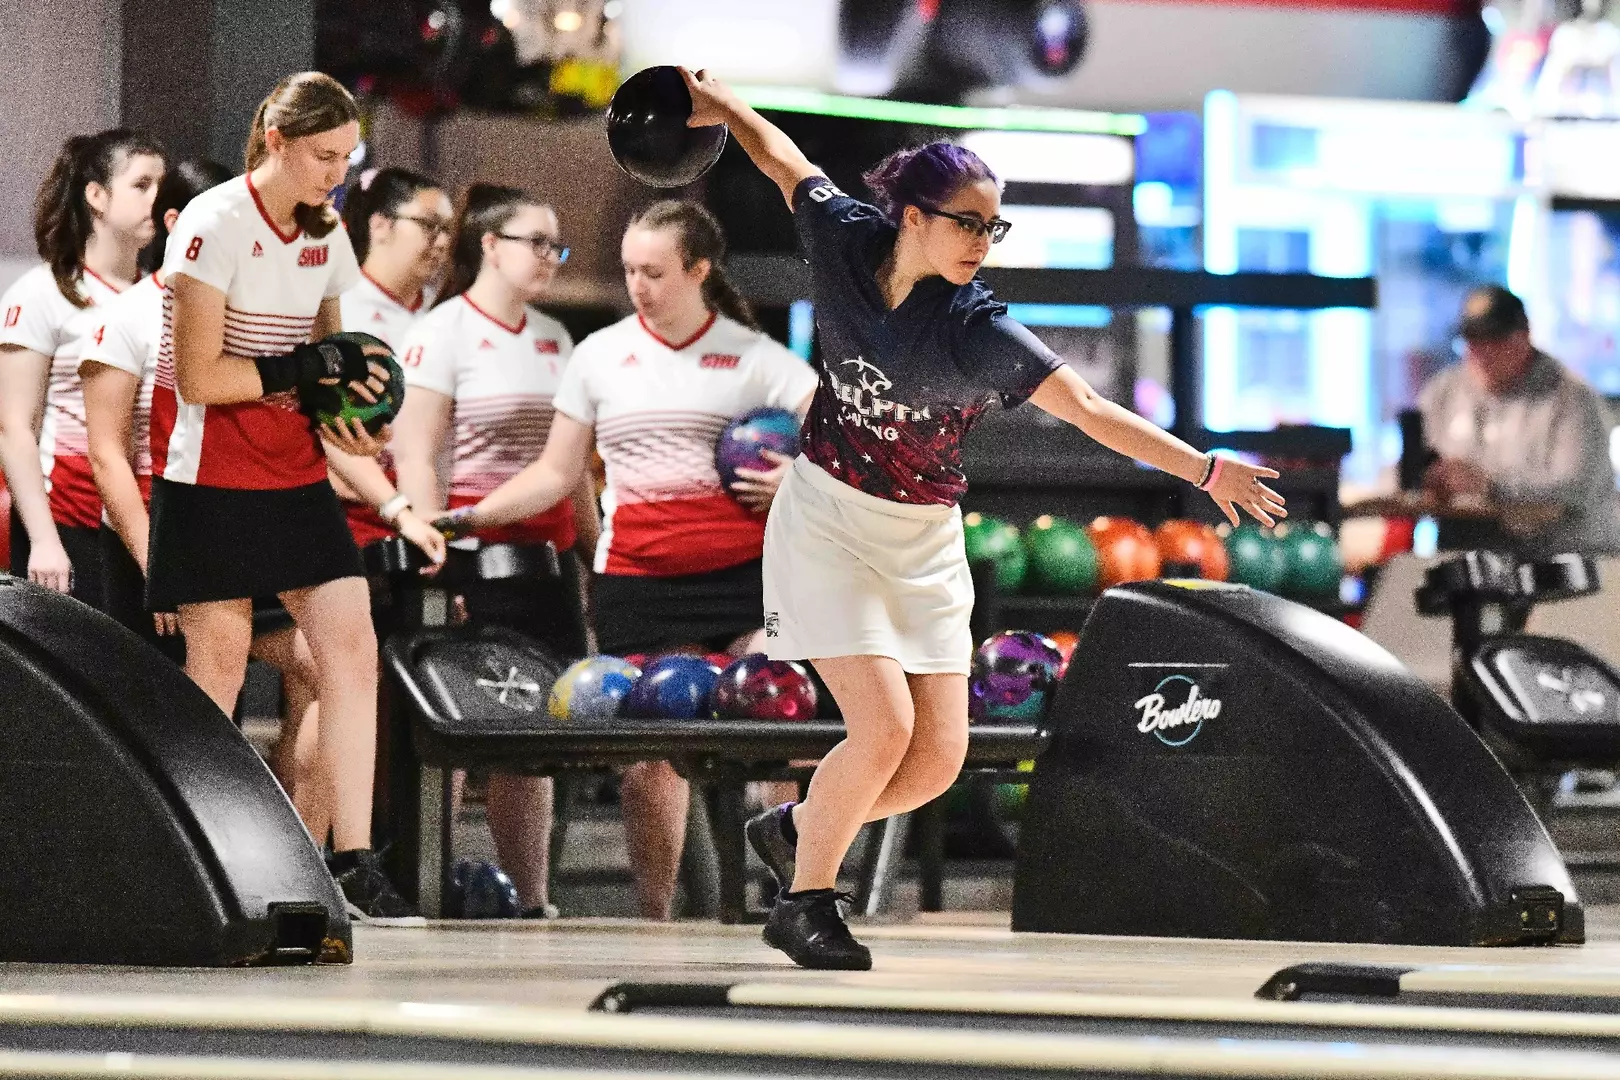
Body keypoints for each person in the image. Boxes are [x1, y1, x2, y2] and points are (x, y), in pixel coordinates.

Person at [670, 68, 1282, 969]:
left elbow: (1089, 410)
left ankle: (803, 827)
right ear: (911, 217)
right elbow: (781, 158)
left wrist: (1200, 466)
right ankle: (805, 902)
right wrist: (723, 109)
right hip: (827, 521)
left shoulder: (977, 329)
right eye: (967, 222)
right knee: (880, 732)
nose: (981, 242)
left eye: (993, 226)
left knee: (934, 763)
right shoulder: (842, 238)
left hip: (924, 539)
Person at [437, 199, 817, 919]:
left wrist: (797, 480)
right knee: (653, 763)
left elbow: (839, 445)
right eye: (629, 271)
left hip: (746, 580)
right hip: (640, 581)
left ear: (699, 270)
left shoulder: (754, 357)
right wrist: (466, 517)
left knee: (777, 708)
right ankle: (655, 920)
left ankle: (792, 888)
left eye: (654, 271)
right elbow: (555, 474)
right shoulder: (600, 356)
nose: (638, 285)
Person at [153, 71, 444, 916]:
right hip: (208, 477)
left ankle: (352, 860)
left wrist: (358, 421)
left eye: (347, 160)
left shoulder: (326, 232)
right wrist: (300, 370)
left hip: (295, 477)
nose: (335, 175)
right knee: (217, 671)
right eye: (322, 156)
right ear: (275, 142)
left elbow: (331, 366)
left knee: (351, 652)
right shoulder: (212, 225)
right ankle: (201, 861)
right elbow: (200, 378)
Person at [389, 183, 594, 919]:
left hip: (546, 564)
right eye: (535, 242)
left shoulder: (555, 339)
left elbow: (572, 471)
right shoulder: (441, 333)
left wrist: (596, 560)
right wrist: (431, 534)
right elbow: (414, 450)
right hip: (470, 557)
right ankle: (430, 887)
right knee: (456, 725)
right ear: (489, 246)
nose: (548, 257)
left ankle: (533, 898)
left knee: (536, 737)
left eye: (555, 245)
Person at [0, 129, 165, 603]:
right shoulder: (41, 293)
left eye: (163, 184)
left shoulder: (159, 295)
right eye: (142, 184)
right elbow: (15, 429)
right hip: (72, 524)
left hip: (144, 520)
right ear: (96, 195)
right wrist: (44, 541)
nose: (158, 197)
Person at [1419, 284, 1620, 557]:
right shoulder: (1444, 392)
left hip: (1563, 563)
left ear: (1523, 337)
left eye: (1494, 340)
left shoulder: (1571, 399)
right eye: (1472, 341)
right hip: (1471, 559)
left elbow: (1571, 489)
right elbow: (1414, 467)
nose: (1481, 353)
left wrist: (1488, 485)